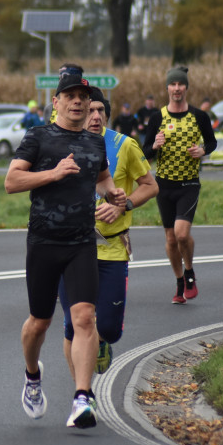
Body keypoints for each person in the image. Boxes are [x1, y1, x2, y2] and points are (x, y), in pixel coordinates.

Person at [4, 68, 125, 430]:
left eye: (83, 97)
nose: (77, 102)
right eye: (70, 96)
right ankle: (32, 374)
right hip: (44, 242)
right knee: (39, 323)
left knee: (85, 318)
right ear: (56, 102)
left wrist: (113, 194)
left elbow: (101, 178)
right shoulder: (38, 137)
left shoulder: (95, 142)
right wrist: (53, 174)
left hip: (81, 243)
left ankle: (82, 398)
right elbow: (12, 181)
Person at [59, 87, 157, 378]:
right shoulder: (61, 143)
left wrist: (124, 206)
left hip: (112, 247)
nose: (95, 116)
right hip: (72, 247)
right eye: (90, 110)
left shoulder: (124, 145)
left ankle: (100, 341)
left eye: (100, 110)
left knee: (110, 328)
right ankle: (82, 392)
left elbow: (150, 186)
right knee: (72, 326)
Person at [142, 66, 217, 304]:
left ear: (186, 87)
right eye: (173, 84)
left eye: (180, 84)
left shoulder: (199, 116)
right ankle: (179, 281)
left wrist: (202, 150)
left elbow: (212, 142)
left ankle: (190, 271)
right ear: (167, 88)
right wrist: (154, 146)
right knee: (171, 239)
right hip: (164, 185)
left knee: (182, 234)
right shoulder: (157, 118)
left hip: (188, 184)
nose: (176, 88)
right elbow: (145, 153)